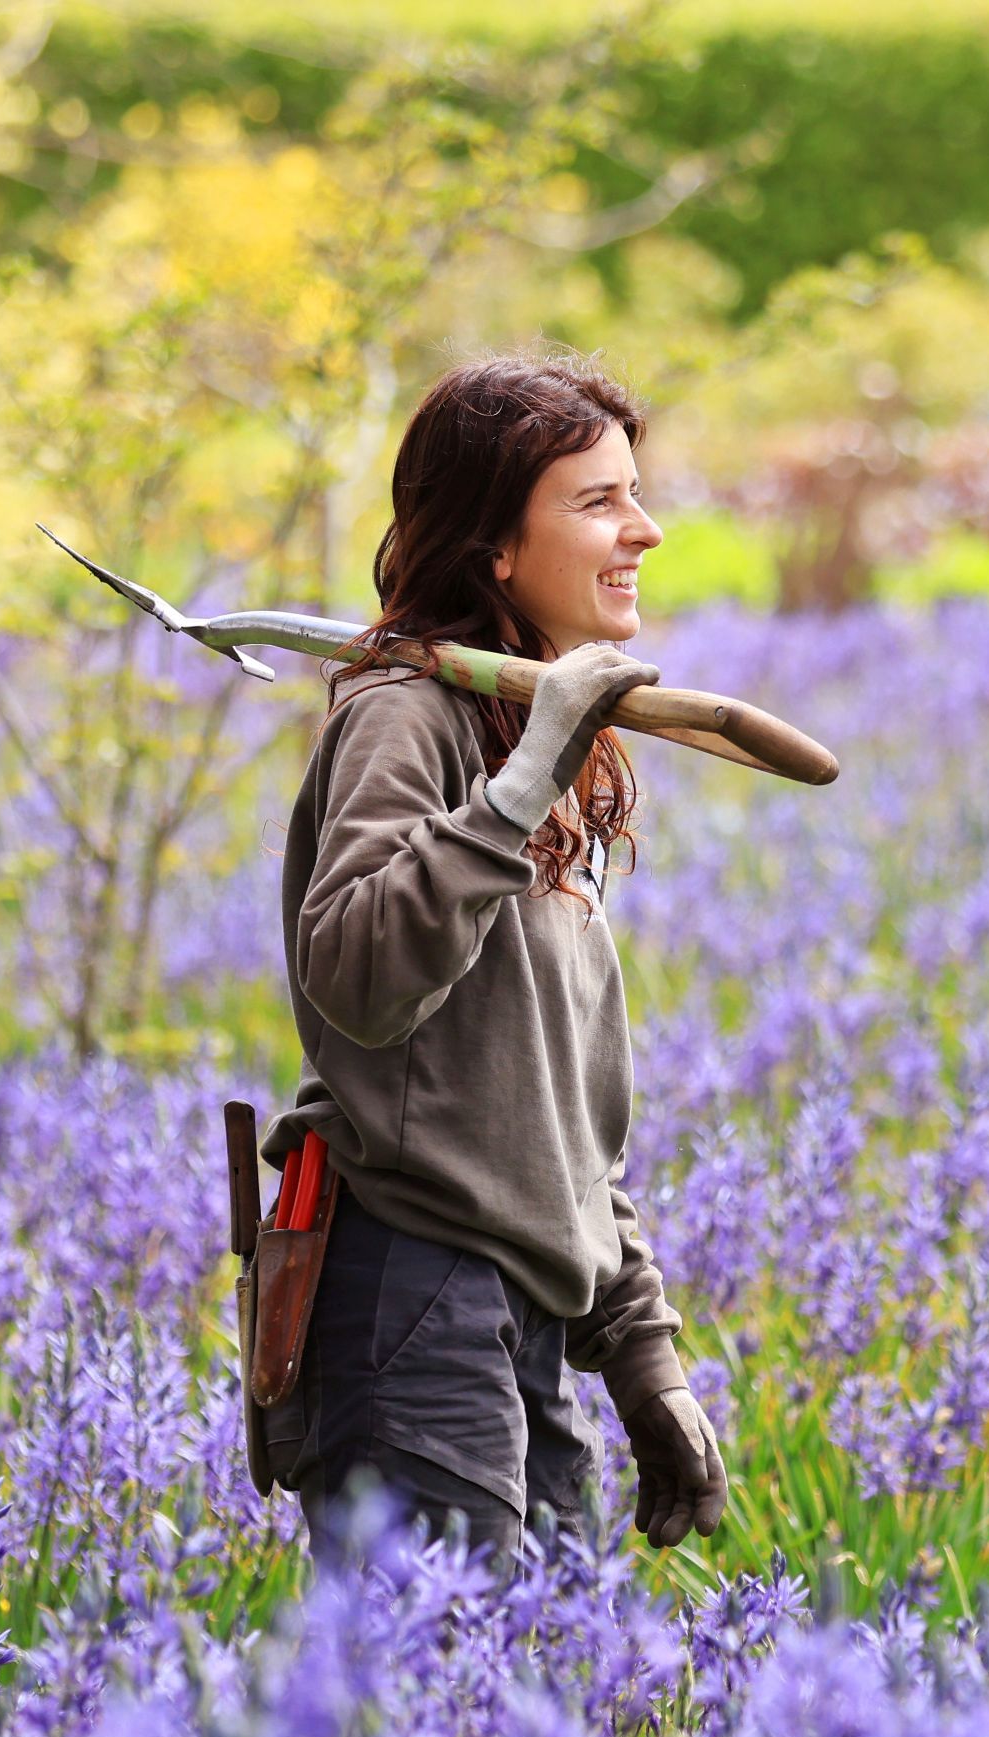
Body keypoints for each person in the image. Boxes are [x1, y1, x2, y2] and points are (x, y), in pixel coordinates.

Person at [259, 355, 730, 1564]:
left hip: (515, 1312)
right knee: (436, 1716)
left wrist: (642, 1359)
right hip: (409, 1300)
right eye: (597, 502)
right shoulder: (403, 718)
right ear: (494, 550)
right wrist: (520, 789)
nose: (645, 528)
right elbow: (358, 977)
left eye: (635, 493)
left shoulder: (526, 733)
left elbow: (556, 1116)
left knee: (542, 1712)